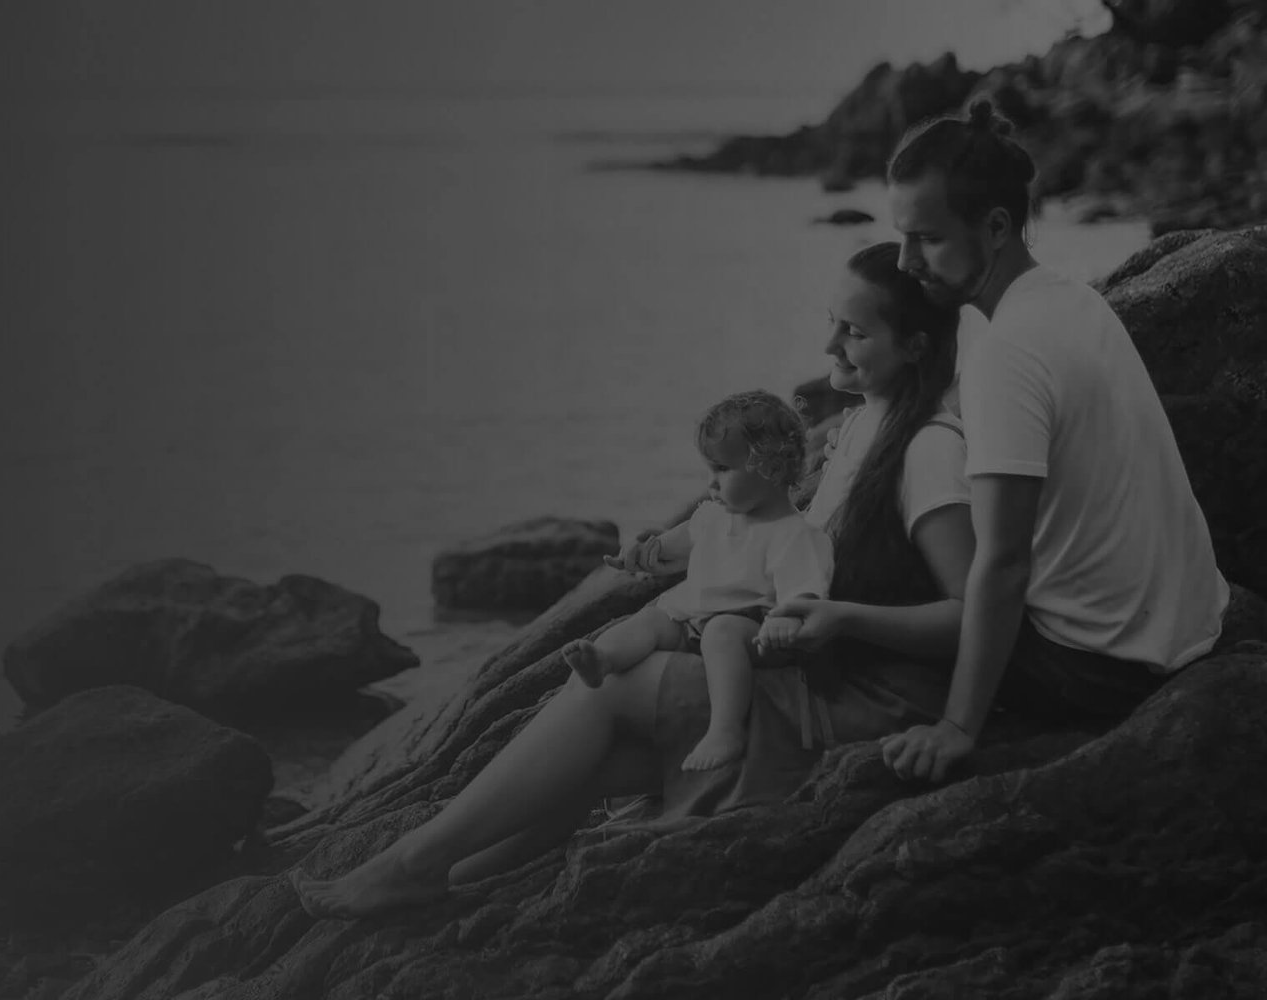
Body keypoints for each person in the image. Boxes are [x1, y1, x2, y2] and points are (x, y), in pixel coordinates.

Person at [292, 242, 972, 918]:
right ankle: (453, 877)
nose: (829, 344)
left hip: (863, 701)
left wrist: (844, 619)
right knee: (601, 748)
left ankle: (411, 867)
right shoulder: (861, 422)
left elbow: (971, 615)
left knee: (611, 687)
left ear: (914, 346)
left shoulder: (929, 452)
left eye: (855, 332)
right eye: (831, 322)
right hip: (814, 669)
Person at [877, 98, 1230, 785]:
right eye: (901, 237)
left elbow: (1004, 563)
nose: (905, 260)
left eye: (928, 239)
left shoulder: (1006, 353)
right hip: (1188, 629)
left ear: (996, 227)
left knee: (886, 589)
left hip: (1100, 668)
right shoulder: (1070, 299)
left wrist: (958, 727)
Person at [559, 391, 833, 772]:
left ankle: (726, 730)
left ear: (770, 468)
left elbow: (804, 591)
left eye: (722, 470)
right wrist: (641, 552)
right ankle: (604, 659)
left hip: (753, 631)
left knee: (722, 633)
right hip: (693, 623)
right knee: (652, 619)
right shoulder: (714, 517)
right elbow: (670, 545)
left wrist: (787, 620)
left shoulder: (795, 534)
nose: (711, 484)